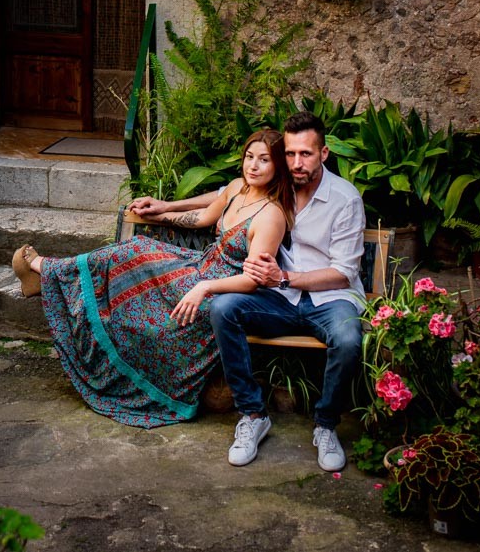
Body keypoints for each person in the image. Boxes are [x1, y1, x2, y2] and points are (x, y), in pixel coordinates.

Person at [129, 111, 365, 471]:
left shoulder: (344, 199)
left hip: (328, 299)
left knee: (347, 340)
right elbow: (227, 193)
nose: (297, 163)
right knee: (224, 308)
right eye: (290, 153)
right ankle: (253, 415)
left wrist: (283, 277)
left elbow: (343, 273)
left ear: (324, 153)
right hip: (279, 298)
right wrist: (167, 206)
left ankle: (326, 425)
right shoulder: (280, 182)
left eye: (305, 154)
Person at [10, 130, 294, 428]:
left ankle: (47, 272)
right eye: (249, 157)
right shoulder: (237, 188)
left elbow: (252, 280)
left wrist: (204, 287)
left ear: (278, 165)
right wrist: (159, 210)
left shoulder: (270, 216)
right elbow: (201, 218)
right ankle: (51, 272)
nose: (253, 166)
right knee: (135, 249)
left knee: (143, 306)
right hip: (200, 267)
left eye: (264, 160)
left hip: (223, 291)